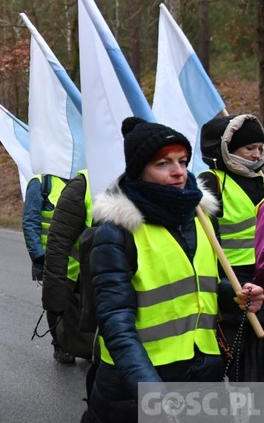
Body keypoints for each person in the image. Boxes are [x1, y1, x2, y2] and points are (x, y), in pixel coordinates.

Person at [86, 117, 264, 422]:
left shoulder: (202, 219)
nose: (179, 171)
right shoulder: (116, 232)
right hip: (137, 384)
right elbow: (116, 324)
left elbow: (202, 286)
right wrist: (152, 394)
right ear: (139, 169)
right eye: (163, 163)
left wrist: (234, 296)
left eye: (182, 160)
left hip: (201, 375)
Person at [199, 114, 264, 382]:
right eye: (249, 149)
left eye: (261, 149)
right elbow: (205, 239)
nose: (256, 155)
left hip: (261, 276)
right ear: (227, 149)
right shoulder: (210, 181)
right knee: (239, 354)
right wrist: (223, 286)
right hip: (232, 280)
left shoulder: (262, 177)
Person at [41, 170, 95, 361]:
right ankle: (60, 344)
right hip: (80, 282)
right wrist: (54, 297)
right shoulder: (83, 185)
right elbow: (58, 241)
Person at [22, 171, 74, 363]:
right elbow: (30, 220)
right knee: (56, 302)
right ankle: (60, 345)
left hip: (78, 257)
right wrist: (38, 256)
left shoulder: (83, 178)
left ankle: (81, 343)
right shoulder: (41, 183)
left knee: (81, 302)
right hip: (50, 258)